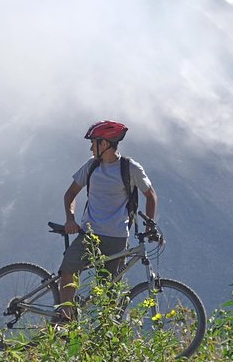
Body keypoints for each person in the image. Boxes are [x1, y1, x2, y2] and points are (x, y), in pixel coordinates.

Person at [57, 120, 157, 321]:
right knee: (67, 272)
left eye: (93, 142)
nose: (90, 147)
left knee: (108, 292)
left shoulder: (130, 168)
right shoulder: (91, 166)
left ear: (104, 144)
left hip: (117, 238)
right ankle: (64, 321)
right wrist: (70, 219)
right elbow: (70, 195)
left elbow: (150, 195)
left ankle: (103, 338)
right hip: (89, 234)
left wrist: (150, 224)